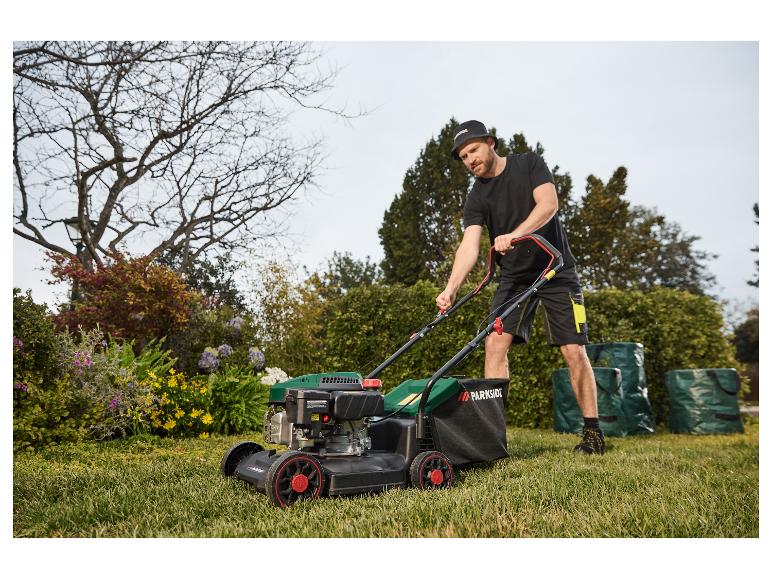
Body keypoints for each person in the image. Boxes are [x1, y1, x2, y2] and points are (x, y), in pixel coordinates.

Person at [436, 120, 605, 455]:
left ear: (490, 142)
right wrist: (451, 287)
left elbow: (548, 205)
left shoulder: (529, 163)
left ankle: (592, 433)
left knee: (573, 349)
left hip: (556, 269)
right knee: (494, 346)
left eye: (473, 150)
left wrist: (516, 233)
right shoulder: (476, 197)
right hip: (513, 278)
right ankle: (494, 438)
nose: (470, 159)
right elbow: (469, 247)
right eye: (463, 157)